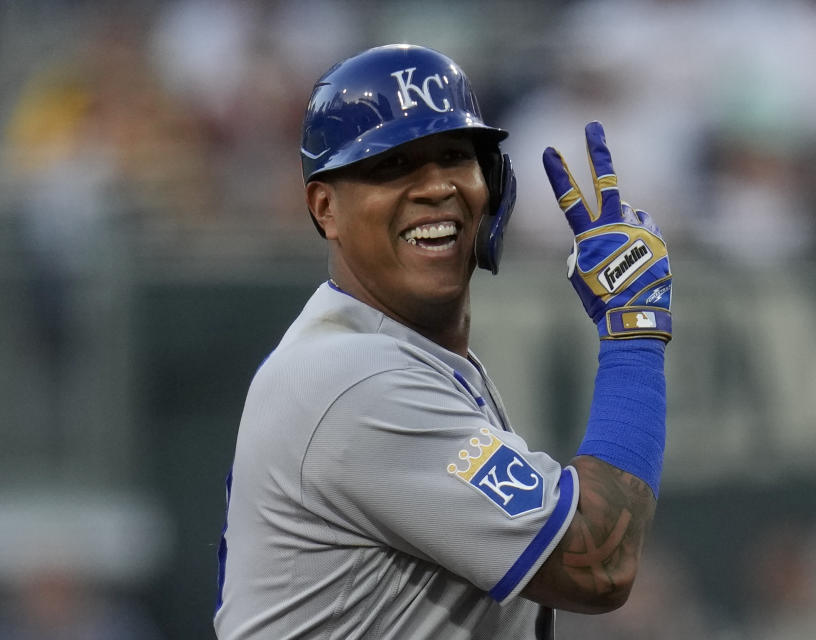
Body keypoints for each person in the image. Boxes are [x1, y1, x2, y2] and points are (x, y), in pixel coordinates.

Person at [214, 44, 672, 640]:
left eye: (454, 156)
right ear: (324, 207)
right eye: (392, 165)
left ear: (493, 185)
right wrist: (633, 333)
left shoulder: (394, 351)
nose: (435, 187)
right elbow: (599, 559)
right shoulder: (357, 379)